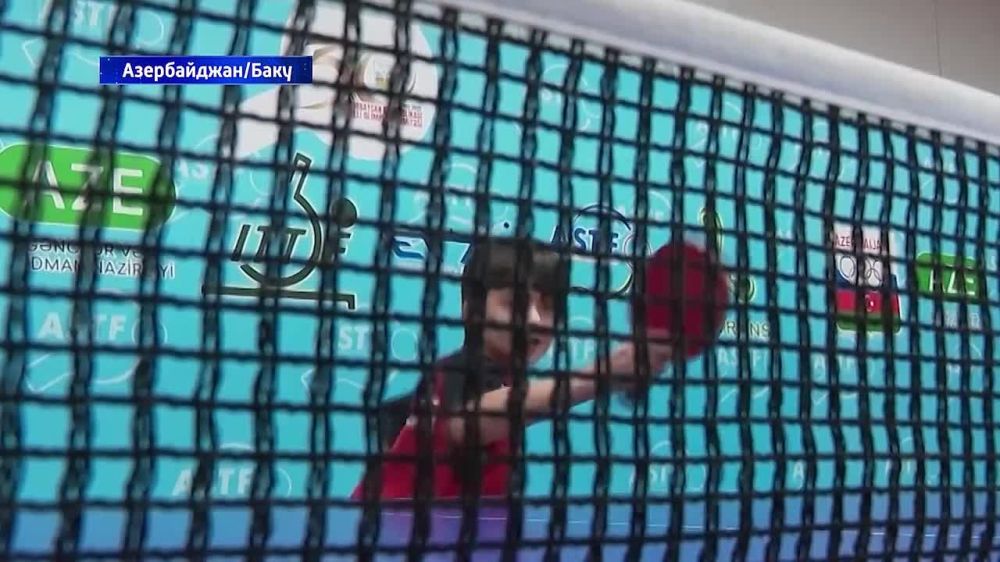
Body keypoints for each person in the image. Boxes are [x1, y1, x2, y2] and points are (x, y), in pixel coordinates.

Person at [351, 236, 672, 501]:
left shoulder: (485, 379)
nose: (534, 319)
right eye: (515, 303)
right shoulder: (462, 370)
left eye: (548, 306)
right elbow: (469, 422)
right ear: (472, 312)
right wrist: (601, 375)